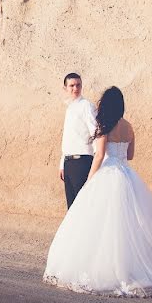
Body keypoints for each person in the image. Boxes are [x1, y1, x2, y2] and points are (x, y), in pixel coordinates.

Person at [44, 86, 152, 297]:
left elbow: (99, 155)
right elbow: (130, 155)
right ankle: (133, 265)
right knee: (130, 222)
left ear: (106, 105)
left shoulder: (104, 126)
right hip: (127, 174)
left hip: (108, 172)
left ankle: (109, 267)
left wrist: (89, 181)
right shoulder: (129, 127)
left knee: (103, 222)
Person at [58, 73, 98, 209]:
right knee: (71, 207)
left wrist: (98, 159)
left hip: (82, 162)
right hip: (69, 163)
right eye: (71, 85)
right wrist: (62, 164)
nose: (75, 88)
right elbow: (68, 137)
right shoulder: (69, 108)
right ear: (65, 88)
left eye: (78, 85)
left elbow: (95, 133)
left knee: (81, 207)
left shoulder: (87, 106)